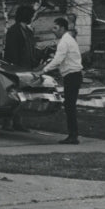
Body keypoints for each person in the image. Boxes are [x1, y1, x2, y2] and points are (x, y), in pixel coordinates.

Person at [38, 16, 83, 144]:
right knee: (70, 105)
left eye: (55, 28)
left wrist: (44, 70)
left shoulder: (64, 41)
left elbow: (58, 60)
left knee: (69, 106)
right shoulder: (69, 39)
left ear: (62, 28)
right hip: (73, 75)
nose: (53, 30)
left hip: (72, 75)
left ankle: (73, 136)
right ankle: (73, 134)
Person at [1, 5, 36, 132]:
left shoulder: (28, 31)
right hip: (17, 68)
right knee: (14, 94)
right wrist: (14, 68)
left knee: (24, 95)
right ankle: (8, 122)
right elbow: (11, 51)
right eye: (31, 15)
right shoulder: (14, 30)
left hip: (27, 67)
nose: (32, 18)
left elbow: (31, 49)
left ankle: (18, 122)